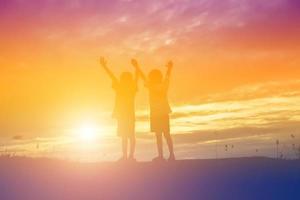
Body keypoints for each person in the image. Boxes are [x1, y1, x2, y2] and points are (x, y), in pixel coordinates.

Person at [131, 59, 175, 161]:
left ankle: (161, 156)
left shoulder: (151, 85)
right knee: (167, 134)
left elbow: (142, 76)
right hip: (164, 112)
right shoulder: (164, 85)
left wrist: (136, 66)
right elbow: (167, 76)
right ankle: (171, 155)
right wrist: (169, 68)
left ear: (152, 77)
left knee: (158, 136)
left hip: (155, 114)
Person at [99, 57, 138, 162]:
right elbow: (136, 78)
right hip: (126, 114)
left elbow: (112, 76)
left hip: (124, 115)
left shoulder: (122, 86)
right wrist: (136, 67)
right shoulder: (130, 87)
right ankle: (128, 156)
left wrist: (104, 66)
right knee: (128, 136)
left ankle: (128, 156)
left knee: (126, 136)